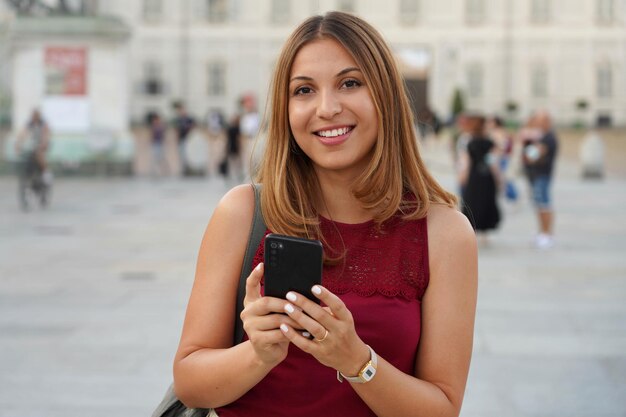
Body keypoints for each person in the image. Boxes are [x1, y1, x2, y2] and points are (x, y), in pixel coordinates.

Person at [173, 11, 477, 417]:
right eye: (303, 90)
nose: (327, 108)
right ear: (285, 108)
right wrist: (259, 353)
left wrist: (356, 361)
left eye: (350, 83)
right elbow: (190, 383)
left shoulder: (443, 233)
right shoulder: (243, 212)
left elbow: (442, 409)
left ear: (384, 95)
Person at [459, 115, 501, 241]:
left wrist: (463, 177)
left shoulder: (470, 143)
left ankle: (472, 229)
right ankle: (485, 232)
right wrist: (498, 178)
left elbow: (466, 163)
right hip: (486, 176)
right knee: (486, 201)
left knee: (472, 202)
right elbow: (492, 163)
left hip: (474, 176)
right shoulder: (490, 143)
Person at [520, 111, 559, 249]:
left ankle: (547, 234)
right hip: (536, 175)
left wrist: (529, 146)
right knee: (539, 204)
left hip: (542, 175)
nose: (537, 124)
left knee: (544, 204)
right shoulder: (541, 137)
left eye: (539, 121)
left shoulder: (548, 138)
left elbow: (531, 155)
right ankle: (542, 232)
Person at [15, 109, 52, 210]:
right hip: (32, 146)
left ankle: (46, 174)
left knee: (39, 154)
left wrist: (44, 143)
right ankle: (28, 179)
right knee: (28, 156)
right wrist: (18, 144)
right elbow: (23, 133)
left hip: (42, 145)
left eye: (36, 116)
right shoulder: (29, 124)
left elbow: (46, 134)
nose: (34, 117)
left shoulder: (43, 124)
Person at [173, 102, 196, 176]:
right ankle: (184, 169)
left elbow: (193, 127)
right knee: (182, 155)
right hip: (181, 139)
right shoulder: (178, 120)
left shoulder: (189, 119)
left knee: (188, 155)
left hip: (188, 140)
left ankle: (188, 169)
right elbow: (177, 129)